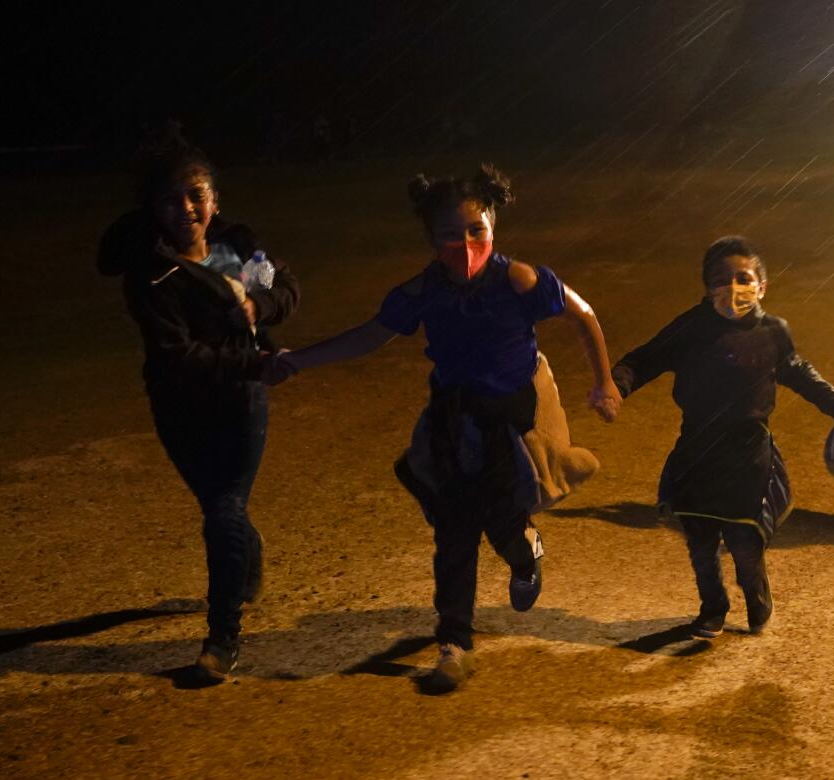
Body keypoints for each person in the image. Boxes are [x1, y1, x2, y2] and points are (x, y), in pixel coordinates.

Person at [265, 164, 620, 692]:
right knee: (454, 530)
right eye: (450, 234)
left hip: (511, 422)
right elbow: (368, 336)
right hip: (454, 419)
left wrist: (605, 383)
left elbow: (584, 314)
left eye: (476, 229)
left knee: (498, 517)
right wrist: (298, 360)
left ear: (493, 225)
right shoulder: (424, 291)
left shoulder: (518, 279)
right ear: (431, 240)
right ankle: (454, 643)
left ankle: (524, 552)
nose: (466, 243)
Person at [97, 141, 301, 682]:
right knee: (223, 509)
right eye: (170, 200)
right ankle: (246, 549)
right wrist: (254, 362)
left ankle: (222, 637)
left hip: (242, 405)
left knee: (223, 507)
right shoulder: (151, 275)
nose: (186, 208)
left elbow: (285, 286)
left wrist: (259, 305)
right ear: (153, 212)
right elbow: (176, 356)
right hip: (182, 411)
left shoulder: (238, 245)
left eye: (196, 194)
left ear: (214, 199)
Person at [610, 236, 834, 639]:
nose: (733, 287)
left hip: (748, 457)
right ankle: (712, 608)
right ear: (707, 288)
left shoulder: (773, 332)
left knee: (745, 543)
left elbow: (798, 372)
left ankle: (756, 598)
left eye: (743, 277)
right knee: (701, 543)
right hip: (697, 453)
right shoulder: (691, 327)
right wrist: (616, 385)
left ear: (762, 285)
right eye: (721, 279)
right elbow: (645, 358)